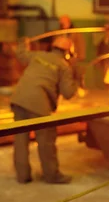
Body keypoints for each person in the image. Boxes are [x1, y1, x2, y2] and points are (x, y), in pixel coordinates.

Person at [10, 36, 81, 184]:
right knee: (46, 140)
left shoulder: (38, 55)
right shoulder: (64, 66)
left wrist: (24, 42)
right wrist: (76, 74)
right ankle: (52, 175)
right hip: (38, 104)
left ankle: (22, 176)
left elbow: (21, 54)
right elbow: (68, 93)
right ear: (68, 53)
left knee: (20, 140)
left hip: (19, 99)